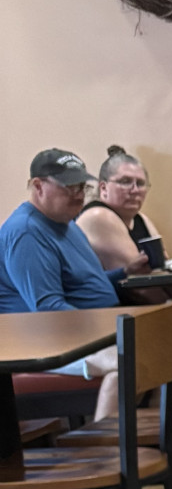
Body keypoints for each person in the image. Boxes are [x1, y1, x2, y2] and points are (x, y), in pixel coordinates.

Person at [0, 148, 126, 417]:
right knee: (126, 362)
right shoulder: (26, 232)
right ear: (38, 186)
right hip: (43, 343)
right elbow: (49, 310)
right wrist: (108, 330)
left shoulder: (68, 224)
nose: (78, 194)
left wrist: (124, 273)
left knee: (161, 348)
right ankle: (106, 442)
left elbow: (81, 282)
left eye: (82, 186)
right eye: (69, 187)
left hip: (78, 333)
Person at [78, 146, 160, 278]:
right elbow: (139, 282)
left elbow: (164, 269)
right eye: (125, 182)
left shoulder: (141, 219)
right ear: (103, 188)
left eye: (140, 183)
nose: (135, 190)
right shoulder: (98, 216)